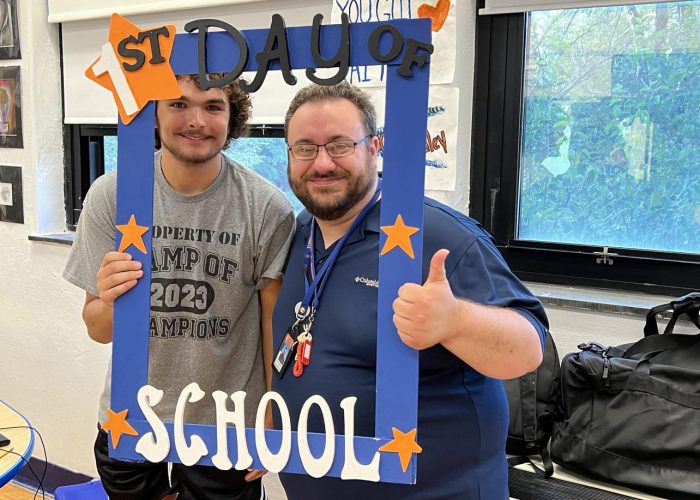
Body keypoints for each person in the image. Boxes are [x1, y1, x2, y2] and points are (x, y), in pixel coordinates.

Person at [272, 82, 548, 499]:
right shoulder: (297, 236)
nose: (322, 163)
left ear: (375, 146)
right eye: (305, 148)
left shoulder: (436, 235)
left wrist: (454, 320)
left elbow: (529, 351)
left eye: (340, 145)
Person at [63, 74, 295, 500]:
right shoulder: (112, 195)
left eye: (212, 107)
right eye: (178, 104)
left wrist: (271, 415)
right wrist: (114, 297)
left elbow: (272, 323)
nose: (196, 121)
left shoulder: (266, 206)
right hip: (130, 416)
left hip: (226, 422)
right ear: (153, 112)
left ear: (232, 117)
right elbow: (97, 329)